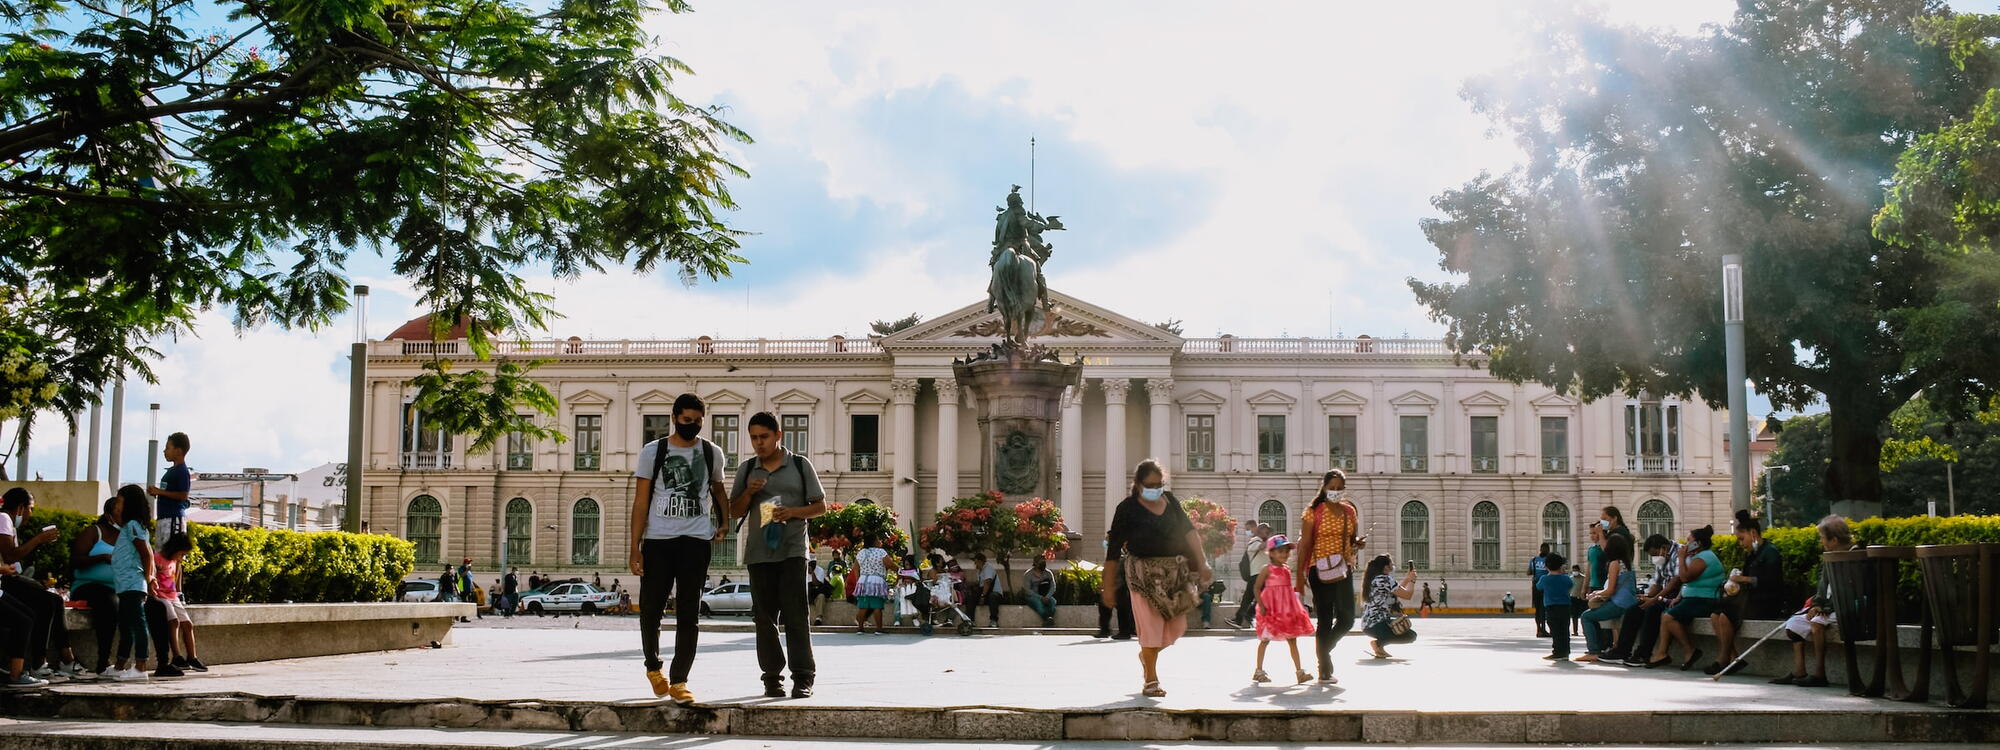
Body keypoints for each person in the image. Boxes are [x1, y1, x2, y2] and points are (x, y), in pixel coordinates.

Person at [628, 393, 730, 704]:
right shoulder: (653, 452)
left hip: (696, 542)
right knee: (651, 611)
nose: (693, 426)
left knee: (690, 614)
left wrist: (724, 522)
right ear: (674, 418)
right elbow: (641, 501)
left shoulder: (712, 453)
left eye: (698, 422)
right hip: (659, 541)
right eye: (687, 421)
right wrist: (635, 547)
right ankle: (653, 667)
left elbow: (718, 490)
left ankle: (680, 680)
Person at [728, 411, 827, 699]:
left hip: (793, 551)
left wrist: (793, 512)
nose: (759, 443)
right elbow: (735, 511)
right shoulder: (748, 470)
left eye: (764, 437)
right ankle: (772, 678)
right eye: (754, 438)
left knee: (796, 615)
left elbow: (820, 506)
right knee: (764, 619)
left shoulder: (799, 465)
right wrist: (748, 492)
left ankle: (803, 678)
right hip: (759, 553)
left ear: (778, 435)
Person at [1102, 459, 1212, 698]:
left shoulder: (1170, 501)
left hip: (1174, 573)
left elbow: (1189, 531)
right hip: (1141, 573)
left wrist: (1202, 562)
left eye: (1159, 483)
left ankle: (1147, 655)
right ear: (1139, 484)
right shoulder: (1127, 508)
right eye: (1151, 484)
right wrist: (1107, 586)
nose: (1156, 488)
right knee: (1151, 629)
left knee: (1177, 627)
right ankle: (1151, 679)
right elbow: (1113, 551)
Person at [0, 487, 84, 678]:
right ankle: (46, 662)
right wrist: (38, 539)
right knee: (46, 603)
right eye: (31, 509)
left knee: (51, 600)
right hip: (5, 581)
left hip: (10, 579)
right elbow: (10, 555)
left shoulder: (8, 522)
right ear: (21, 507)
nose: (31, 514)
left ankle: (61, 660)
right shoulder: (4, 518)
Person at [1293, 469, 1364, 685]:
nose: (1335, 491)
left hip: (1343, 568)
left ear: (1344, 489)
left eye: (1339, 488)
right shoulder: (1313, 512)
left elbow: (1351, 540)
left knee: (1347, 619)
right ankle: (1324, 669)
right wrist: (1299, 577)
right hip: (1318, 569)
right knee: (1324, 619)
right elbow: (1304, 546)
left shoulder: (1349, 512)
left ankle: (1324, 652)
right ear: (1323, 488)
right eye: (1331, 488)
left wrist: (1357, 544)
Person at [1772, 515, 1854, 687]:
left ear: (1834, 539)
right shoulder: (1829, 557)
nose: (1821, 541)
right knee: (1794, 624)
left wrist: (1824, 608)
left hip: (1845, 608)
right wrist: (1817, 604)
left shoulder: (1855, 557)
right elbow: (1822, 587)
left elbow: (1849, 592)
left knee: (1817, 622)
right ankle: (1799, 671)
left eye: (1823, 538)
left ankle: (1820, 674)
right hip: (1827, 607)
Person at [1711, 509, 1785, 676]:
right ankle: (1734, 658)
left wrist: (1744, 580)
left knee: (1724, 615)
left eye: (1741, 539)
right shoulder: (1752, 554)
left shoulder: (1770, 552)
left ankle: (1723, 659)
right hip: (1751, 600)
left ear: (1753, 533)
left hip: (1767, 602)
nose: (1741, 544)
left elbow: (1772, 582)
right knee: (1715, 614)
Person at [1650, 525, 1723, 671]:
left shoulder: (1704, 557)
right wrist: (1679, 596)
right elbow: (1689, 584)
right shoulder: (1695, 557)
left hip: (1705, 600)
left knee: (1668, 617)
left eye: (1689, 540)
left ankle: (1690, 650)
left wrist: (1682, 557)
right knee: (1666, 614)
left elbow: (1685, 578)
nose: (1686, 544)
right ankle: (1662, 653)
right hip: (1692, 598)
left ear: (1698, 543)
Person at [69, 496, 125, 678]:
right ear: (109, 514)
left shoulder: (126, 536)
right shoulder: (94, 531)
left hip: (117, 588)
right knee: (109, 601)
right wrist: (101, 558)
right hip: (88, 586)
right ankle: (103, 662)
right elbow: (76, 560)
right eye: (119, 510)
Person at [109, 484, 158, 681]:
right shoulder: (132, 526)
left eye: (120, 502)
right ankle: (120, 665)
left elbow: (146, 554)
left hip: (132, 584)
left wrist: (148, 577)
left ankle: (140, 666)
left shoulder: (132, 526)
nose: (117, 506)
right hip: (125, 585)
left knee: (137, 625)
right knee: (126, 626)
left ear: (129, 504)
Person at [1250, 536, 1314, 683]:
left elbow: (1288, 591)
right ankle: (1258, 671)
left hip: (1286, 610)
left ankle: (1300, 672)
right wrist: (1261, 605)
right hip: (1271, 609)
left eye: (1286, 551)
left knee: (1292, 639)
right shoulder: (1267, 569)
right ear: (1271, 553)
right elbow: (1257, 587)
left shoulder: (1286, 569)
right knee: (1265, 640)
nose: (1284, 554)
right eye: (1280, 551)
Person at [1612, 534, 1682, 666]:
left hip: (1675, 597)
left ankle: (1644, 653)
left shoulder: (1678, 553)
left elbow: (1676, 580)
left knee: (1652, 611)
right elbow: (1657, 583)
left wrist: (1654, 599)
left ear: (1663, 548)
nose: (1654, 558)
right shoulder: (1661, 558)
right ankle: (1622, 650)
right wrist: (1647, 597)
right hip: (1661, 595)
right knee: (1634, 609)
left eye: (1655, 554)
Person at [1577, 531, 1636, 663]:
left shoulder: (1614, 564)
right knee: (1595, 616)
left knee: (1587, 616)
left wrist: (1595, 594)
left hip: (1619, 603)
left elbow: (1610, 590)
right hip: (1629, 602)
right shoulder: (1627, 563)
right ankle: (1605, 647)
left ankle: (1593, 651)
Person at [151, 533, 204, 676]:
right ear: (174, 549)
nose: (181, 558)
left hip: (173, 596)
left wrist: (179, 593)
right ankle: (176, 656)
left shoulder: (175, 562)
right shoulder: (157, 559)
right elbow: (152, 576)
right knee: (173, 621)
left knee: (187, 624)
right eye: (181, 554)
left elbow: (176, 578)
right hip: (161, 596)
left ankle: (192, 657)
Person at [1360, 555, 1419, 659]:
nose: (1393, 565)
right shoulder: (1385, 579)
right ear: (1386, 567)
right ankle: (1378, 644)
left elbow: (1396, 592)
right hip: (1377, 624)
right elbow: (1407, 595)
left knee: (1406, 632)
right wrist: (1412, 581)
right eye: (1391, 563)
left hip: (1368, 624)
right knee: (1411, 636)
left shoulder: (1375, 578)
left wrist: (1407, 579)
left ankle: (1379, 646)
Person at [146, 432, 193, 546]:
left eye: (167, 448)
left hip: (173, 518)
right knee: (161, 554)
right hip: (164, 517)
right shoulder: (172, 470)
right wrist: (159, 493)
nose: (164, 451)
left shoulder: (182, 471)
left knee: (171, 553)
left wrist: (160, 492)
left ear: (178, 451)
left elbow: (183, 495)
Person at [1230, 523, 1273, 629]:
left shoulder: (1263, 542)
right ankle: (1245, 616)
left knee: (1251, 598)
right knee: (1259, 598)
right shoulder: (1255, 541)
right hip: (1257, 575)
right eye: (1265, 530)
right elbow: (1262, 547)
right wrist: (1271, 540)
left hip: (1261, 574)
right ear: (1259, 531)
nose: (1267, 532)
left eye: (1268, 531)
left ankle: (1240, 619)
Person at [1096, 532, 1135, 640]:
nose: (1106, 541)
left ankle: (1124, 632)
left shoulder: (1120, 555)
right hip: (1111, 586)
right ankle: (1105, 630)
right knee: (1104, 607)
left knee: (1122, 610)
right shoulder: (1112, 553)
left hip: (1120, 587)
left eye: (1107, 539)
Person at [1537, 553, 1572, 661]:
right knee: (1565, 629)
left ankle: (1557, 652)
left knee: (1555, 631)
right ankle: (1566, 651)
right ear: (1561, 565)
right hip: (1565, 607)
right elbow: (1570, 585)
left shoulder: (1544, 579)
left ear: (1546, 566)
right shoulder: (1566, 578)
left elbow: (1538, 587)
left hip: (1551, 607)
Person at [853, 536, 889, 634]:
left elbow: (856, 568)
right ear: (874, 542)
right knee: (877, 606)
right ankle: (879, 629)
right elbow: (889, 564)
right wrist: (899, 570)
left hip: (863, 581)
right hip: (876, 581)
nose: (880, 541)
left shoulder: (861, 552)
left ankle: (860, 628)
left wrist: (858, 580)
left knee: (863, 606)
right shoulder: (881, 552)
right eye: (878, 539)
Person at [1023, 556, 1058, 627]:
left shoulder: (1048, 573)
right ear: (1035, 564)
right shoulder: (1028, 574)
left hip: (1046, 595)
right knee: (1038, 604)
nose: (1043, 564)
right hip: (1033, 596)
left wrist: (1047, 597)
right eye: (1040, 563)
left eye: (1044, 562)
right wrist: (1040, 598)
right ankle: (1047, 619)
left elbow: (1053, 586)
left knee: (1053, 602)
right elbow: (1027, 590)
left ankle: (1049, 619)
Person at [969, 553, 1001, 628]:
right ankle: (970, 620)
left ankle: (993, 620)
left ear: (981, 561)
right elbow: (980, 583)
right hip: (984, 592)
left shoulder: (988, 568)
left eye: (976, 562)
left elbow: (987, 582)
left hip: (994, 593)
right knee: (970, 598)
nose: (975, 564)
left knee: (993, 597)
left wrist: (983, 596)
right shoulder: (979, 571)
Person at [1529, 543, 1551, 637]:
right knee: (1546, 608)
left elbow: (1529, 572)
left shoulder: (1534, 560)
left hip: (1536, 586)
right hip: (1546, 586)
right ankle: (1544, 629)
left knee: (1538, 609)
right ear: (1548, 550)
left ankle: (1539, 630)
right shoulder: (1549, 560)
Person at [808, 558, 832, 626]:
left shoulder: (820, 570)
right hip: (808, 592)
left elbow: (817, 583)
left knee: (821, 597)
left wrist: (812, 573)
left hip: (817, 592)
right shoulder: (802, 569)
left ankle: (819, 618)